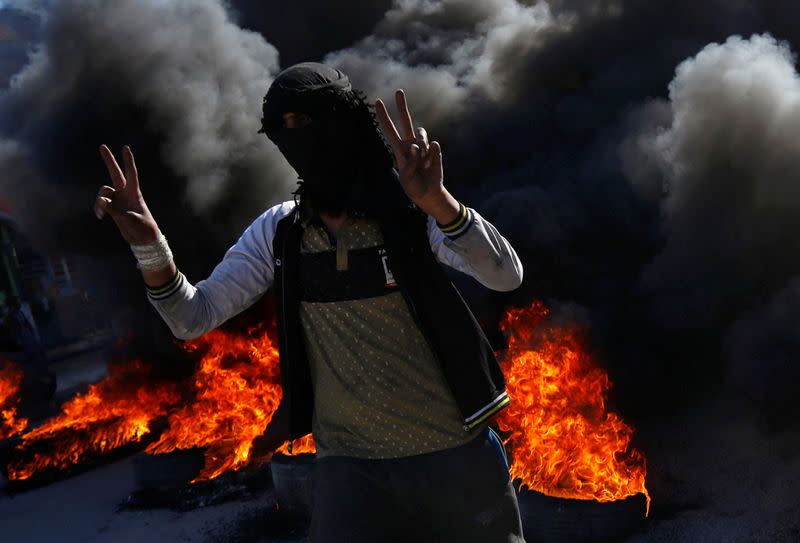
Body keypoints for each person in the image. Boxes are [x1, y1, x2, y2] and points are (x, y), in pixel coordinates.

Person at [94, 62, 525, 542]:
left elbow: (505, 275)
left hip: (454, 457)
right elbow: (191, 318)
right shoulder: (280, 231)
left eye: (309, 120)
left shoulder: (412, 215)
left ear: (347, 121)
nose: (297, 136)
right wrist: (151, 247)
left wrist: (440, 202)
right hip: (350, 472)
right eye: (284, 127)